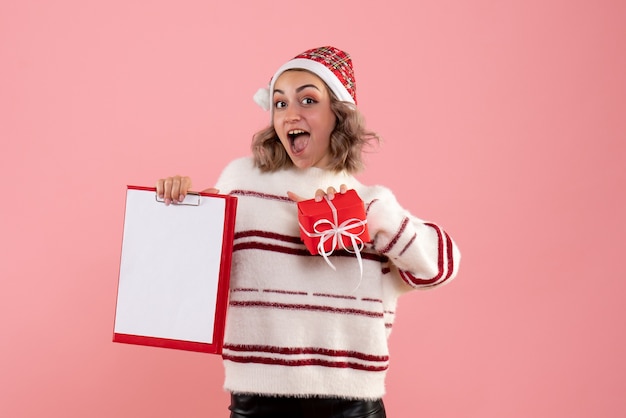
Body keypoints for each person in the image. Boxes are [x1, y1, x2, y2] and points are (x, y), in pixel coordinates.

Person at [156, 46, 460, 418]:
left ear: (339, 114)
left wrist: (370, 215)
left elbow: (439, 268)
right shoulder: (239, 182)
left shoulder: (368, 203)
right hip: (258, 401)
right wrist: (179, 208)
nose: (290, 114)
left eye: (308, 100)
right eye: (280, 104)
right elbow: (189, 272)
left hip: (351, 407)